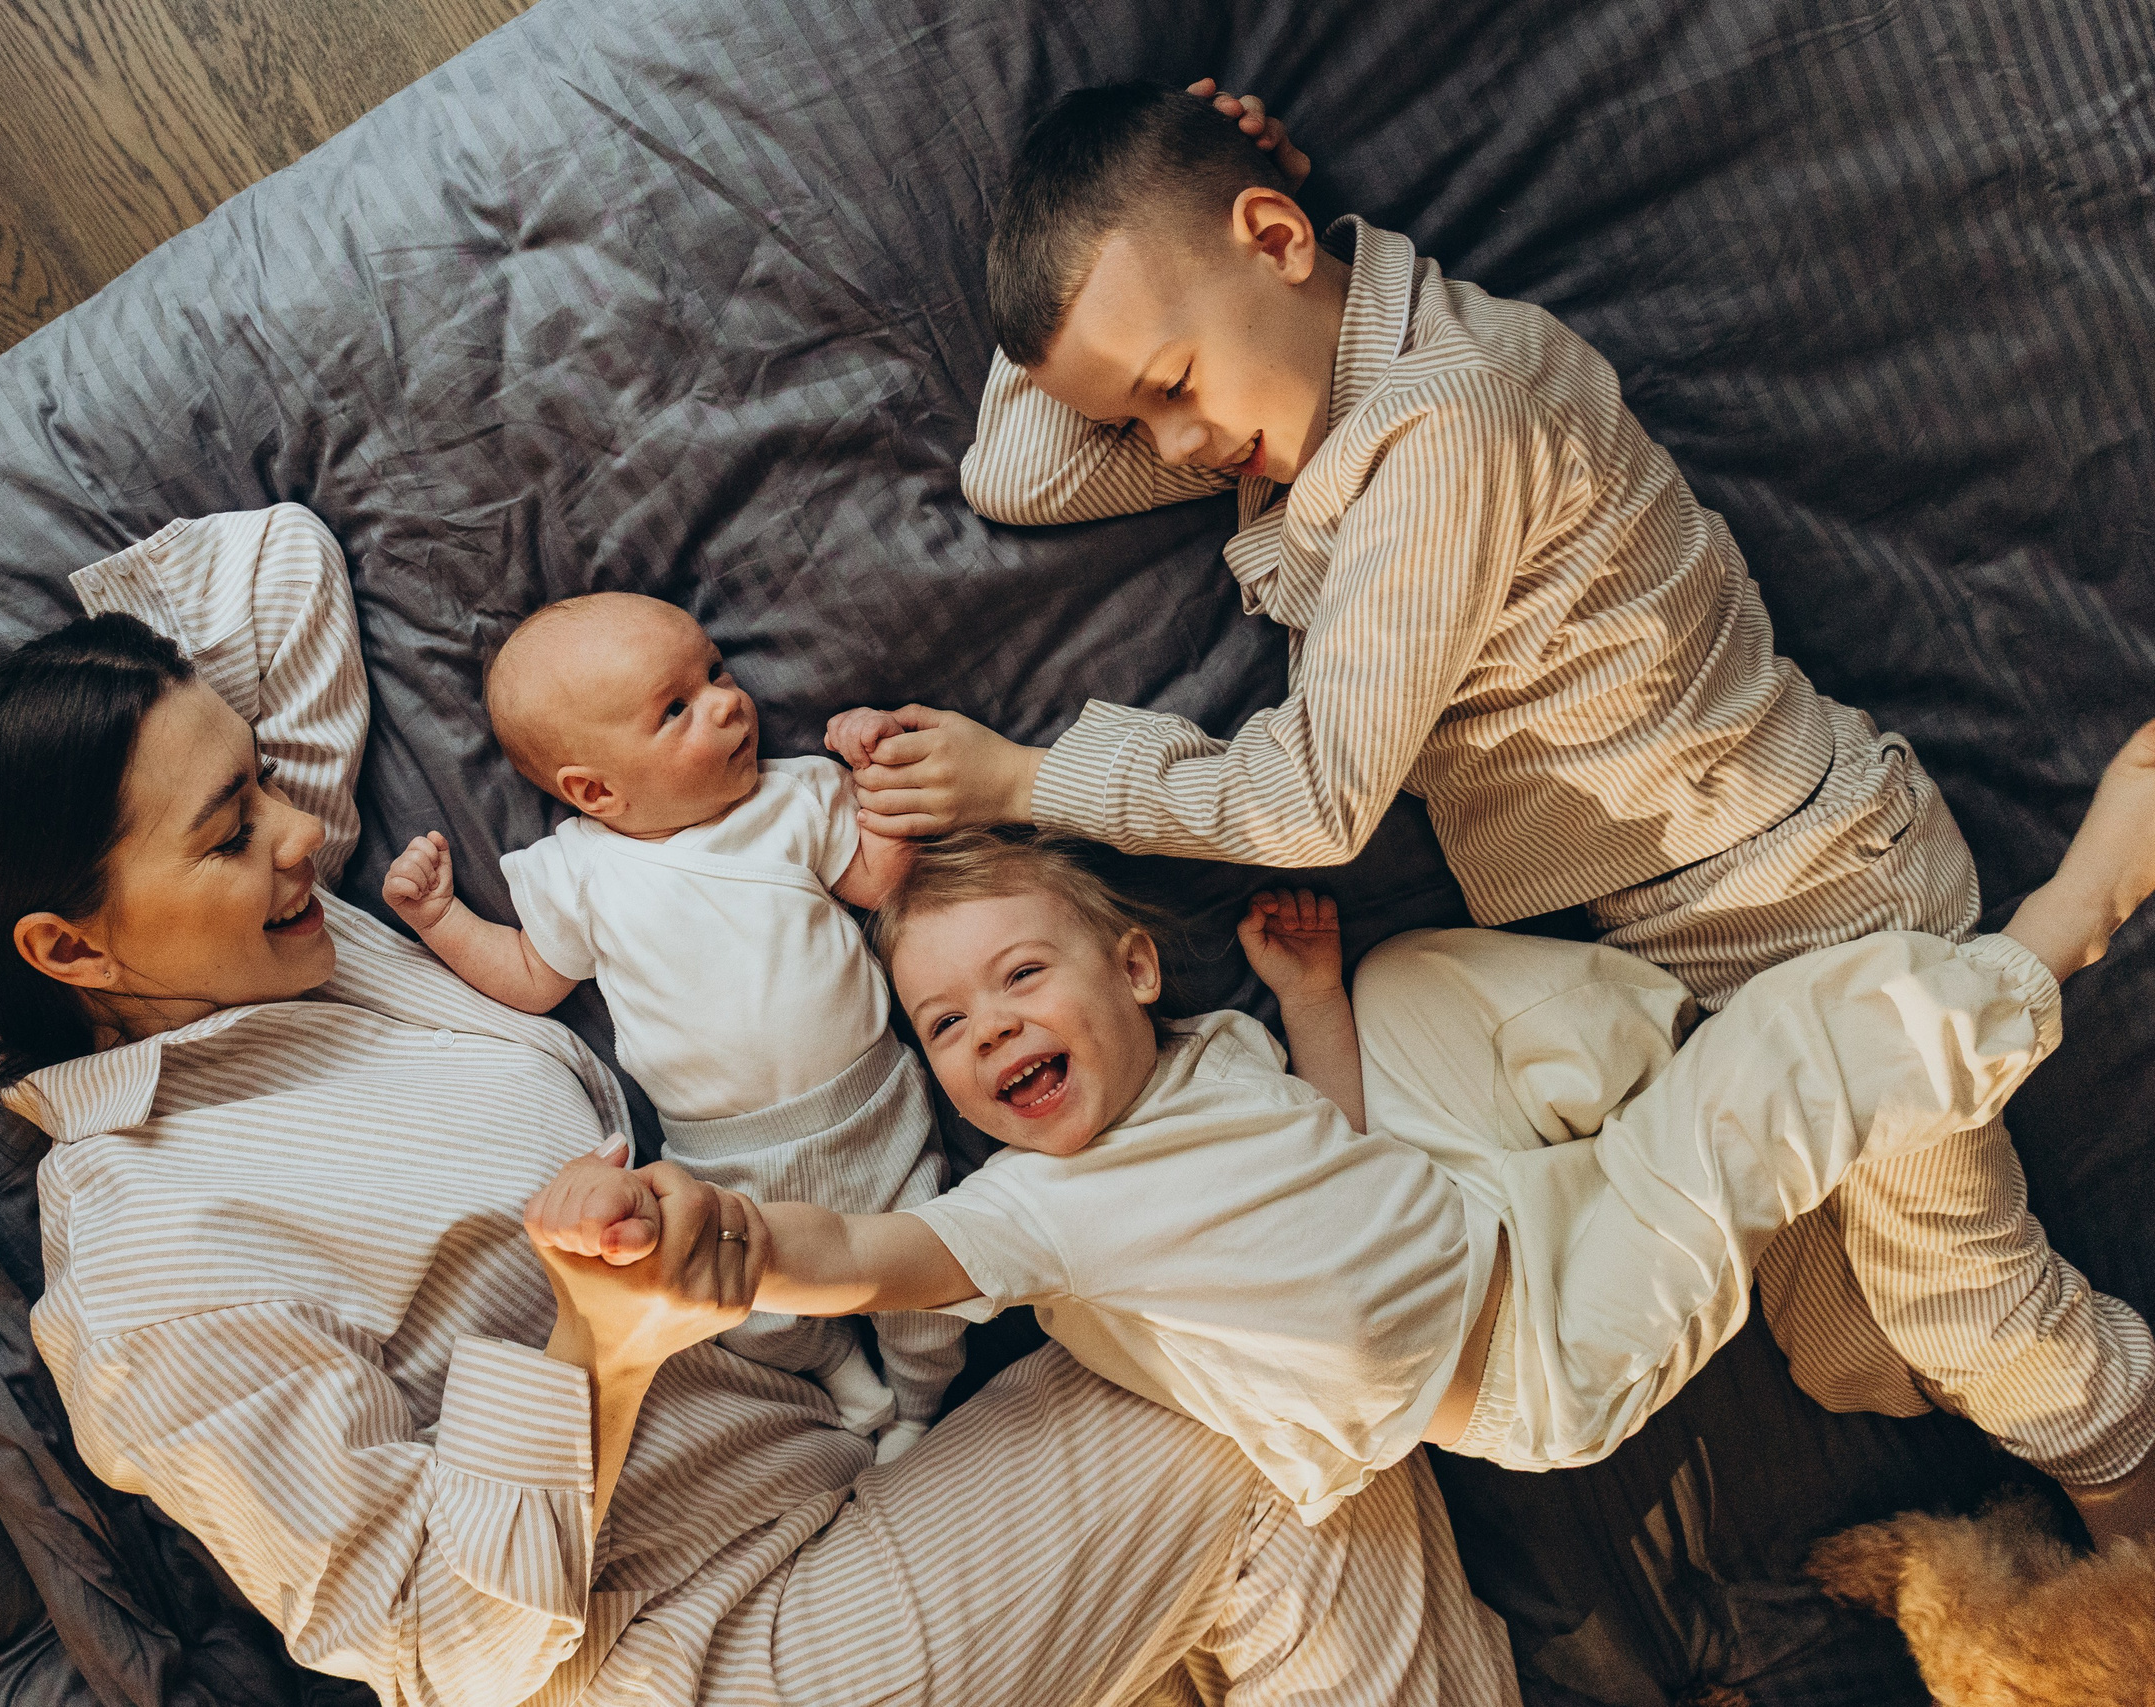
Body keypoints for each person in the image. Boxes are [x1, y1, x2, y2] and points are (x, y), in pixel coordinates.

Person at [0, 504, 1519, 1707]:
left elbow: (267, 570)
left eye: (265, 784)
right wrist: (596, 1352)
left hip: (850, 1498)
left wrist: (108, 667)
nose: (304, 832)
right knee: (1269, 1382)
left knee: (1267, 1520)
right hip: (700, 1658)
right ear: (69, 945)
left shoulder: (295, 945)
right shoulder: (152, 1270)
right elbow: (436, 1642)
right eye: (233, 829)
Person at [823, 78, 2155, 1539]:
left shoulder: (1448, 425)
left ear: (1276, 235)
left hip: (1811, 882)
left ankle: (2129, 1495)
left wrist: (1030, 779)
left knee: (1965, 1301)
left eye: (1176, 385)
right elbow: (1011, 470)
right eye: (1144, 410)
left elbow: (1317, 796)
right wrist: (1087, 281)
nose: (1183, 444)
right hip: (1678, 938)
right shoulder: (1283, 389)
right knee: (1848, 1357)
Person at [537, 745, 2155, 1534]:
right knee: (1809, 1040)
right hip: (1539, 1347)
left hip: (1491, 1196)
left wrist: (1310, 996)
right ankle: (2053, 937)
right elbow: (858, 1251)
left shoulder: (1218, 1056)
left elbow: (1331, 1150)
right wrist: (716, 1233)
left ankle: (1765, 1190)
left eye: (1017, 978)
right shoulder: (1037, 1210)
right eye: (947, 1026)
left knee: (1406, 975)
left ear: (1137, 970)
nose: (988, 1033)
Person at [378, 591, 957, 1461]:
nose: (728, 701)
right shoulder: (580, 871)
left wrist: (879, 780)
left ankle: (922, 1401)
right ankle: (840, 1368)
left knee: (926, 1278)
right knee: (746, 1307)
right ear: (595, 789)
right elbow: (535, 977)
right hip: (723, 1157)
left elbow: (877, 880)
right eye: (676, 708)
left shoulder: (791, 798)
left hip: (873, 1114)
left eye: (716, 672)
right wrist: (442, 920)